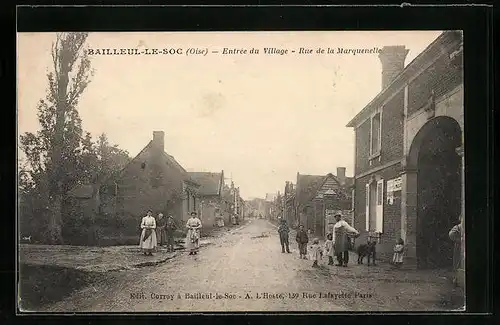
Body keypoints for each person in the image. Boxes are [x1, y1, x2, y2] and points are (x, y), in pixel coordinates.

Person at [449, 219, 462, 285]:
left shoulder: (460, 226)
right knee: (457, 262)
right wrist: (459, 240)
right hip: (459, 247)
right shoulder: (459, 227)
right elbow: (451, 234)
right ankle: (456, 278)